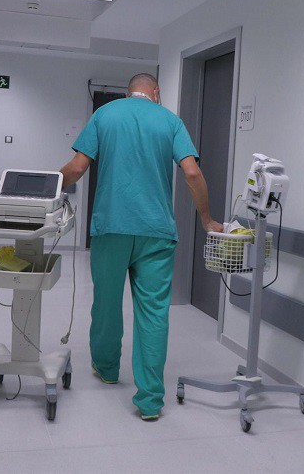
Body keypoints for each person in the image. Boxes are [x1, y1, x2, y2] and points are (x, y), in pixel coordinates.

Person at [59, 73, 224, 421]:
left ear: (128, 92)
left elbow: (77, 167)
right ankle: (150, 400)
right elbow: (192, 173)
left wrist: (46, 187)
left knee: (106, 304)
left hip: (112, 227)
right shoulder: (170, 121)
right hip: (156, 232)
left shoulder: (105, 115)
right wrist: (207, 220)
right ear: (156, 92)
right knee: (153, 314)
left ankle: (107, 368)